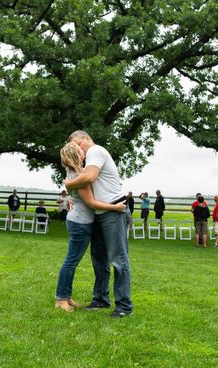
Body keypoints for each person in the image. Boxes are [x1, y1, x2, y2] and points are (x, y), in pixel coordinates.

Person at [65, 130, 133, 318]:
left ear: (87, 138)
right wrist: (70, 195)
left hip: (114, 210)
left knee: (118, 260)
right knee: (99, 259)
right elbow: (83, 185)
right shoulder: (87, 159)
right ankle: (101, 299)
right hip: (100, 213)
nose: (78, 149)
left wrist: (68, 185)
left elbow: (89, 178)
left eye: (78, 144)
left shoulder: (96, 150)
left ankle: (124, 306)